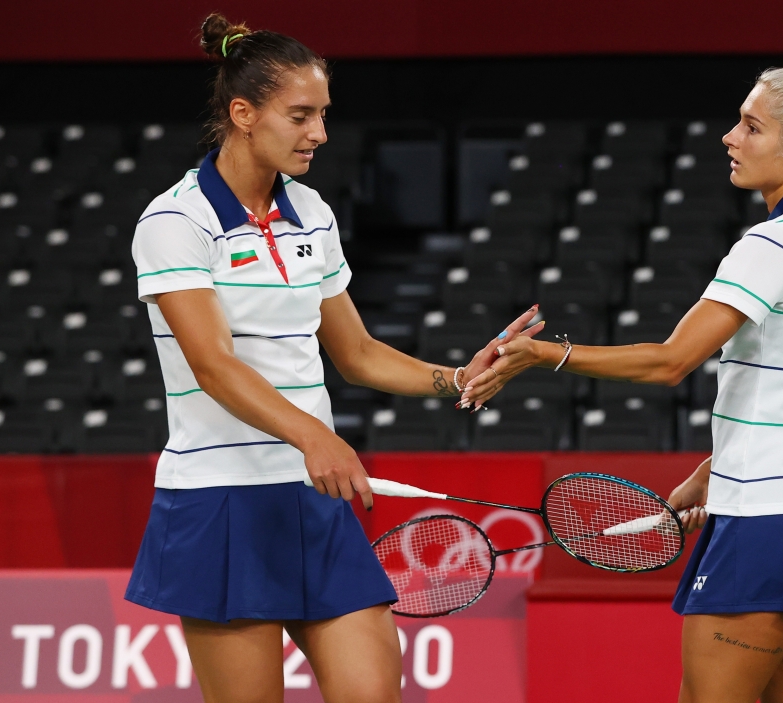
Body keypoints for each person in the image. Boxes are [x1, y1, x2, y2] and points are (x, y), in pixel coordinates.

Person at [124, 14, 541, 703]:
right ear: (243, 114)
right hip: (221, 501)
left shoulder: (312, 212)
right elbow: (214, 365)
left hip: (315, 499)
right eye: (300, 115)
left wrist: (457, 378)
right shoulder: (175, 223)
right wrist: (314, 434)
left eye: (323, 114)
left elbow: (356, 352)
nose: (318, 132)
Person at [463, 66, 783, 703]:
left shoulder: (773, 245)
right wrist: (716, 467)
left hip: (767, 523)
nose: (729, 137)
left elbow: (669, 362)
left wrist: (540, 355)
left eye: (751, 126)